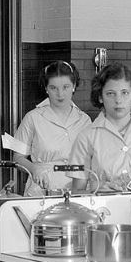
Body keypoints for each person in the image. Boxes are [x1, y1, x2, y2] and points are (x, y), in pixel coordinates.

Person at [68, 62, 131, 192]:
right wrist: (96, 191)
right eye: (111, 93)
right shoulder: (86, 137)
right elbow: (76, 192)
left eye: (125, 93)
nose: (118, 100)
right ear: (100, 97)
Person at [10, 61, 91, 195]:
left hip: (78, 189)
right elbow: (17, 157)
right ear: (46, 88)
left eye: (65, 87)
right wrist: (34, 168)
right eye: (53, 88)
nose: (60, 94)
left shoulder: (84, 120)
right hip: (43, 188)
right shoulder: (32, 117)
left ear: (74, 86)